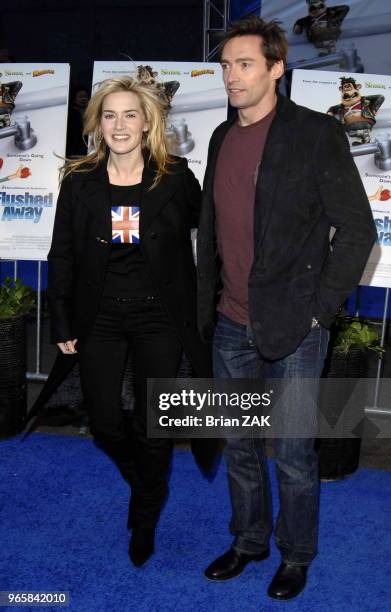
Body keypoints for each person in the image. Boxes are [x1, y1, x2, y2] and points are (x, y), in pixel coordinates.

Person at [196, 16, 376, 601]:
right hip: (230, 322)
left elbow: (356, 230)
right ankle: (249, 541)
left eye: (244, 63)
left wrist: (320, 311)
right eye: (225, 65)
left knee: (295, 455)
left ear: (277, 68)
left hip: (297, 326)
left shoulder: (315, 135)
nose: (232, 75)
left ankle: (296, 555)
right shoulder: (222, 137)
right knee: (240, 446)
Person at [47, 75, 213, 568]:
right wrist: (60, 321)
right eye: (110, 115)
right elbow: (62, 255)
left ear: (148, 124)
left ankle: (144, 516)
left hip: (159, 317)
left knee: (152, 423)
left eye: (130, 115)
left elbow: (216, 233)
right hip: (98, 318)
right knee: (102, 422)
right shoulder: (78, 182)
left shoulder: (176, 177)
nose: (119, 125)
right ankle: (150, 484)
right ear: (98, 123)